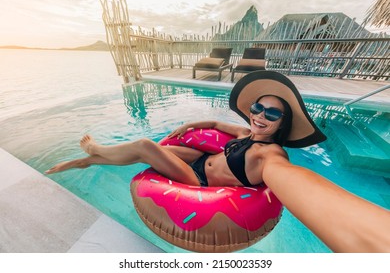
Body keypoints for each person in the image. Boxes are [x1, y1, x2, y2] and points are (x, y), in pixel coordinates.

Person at [45, 70, 390, 252]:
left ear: (283, 124)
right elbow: (213, 125)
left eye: (272, 113)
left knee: (146, 146)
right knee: (163, 148)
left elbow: (297, 184)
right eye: (258, 107)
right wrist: (190, 125)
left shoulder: (269, 155)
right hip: (199, 159)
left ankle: (93, 156)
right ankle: (95, 157)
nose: (260, 115)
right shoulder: (246, 134)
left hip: (200, 183)